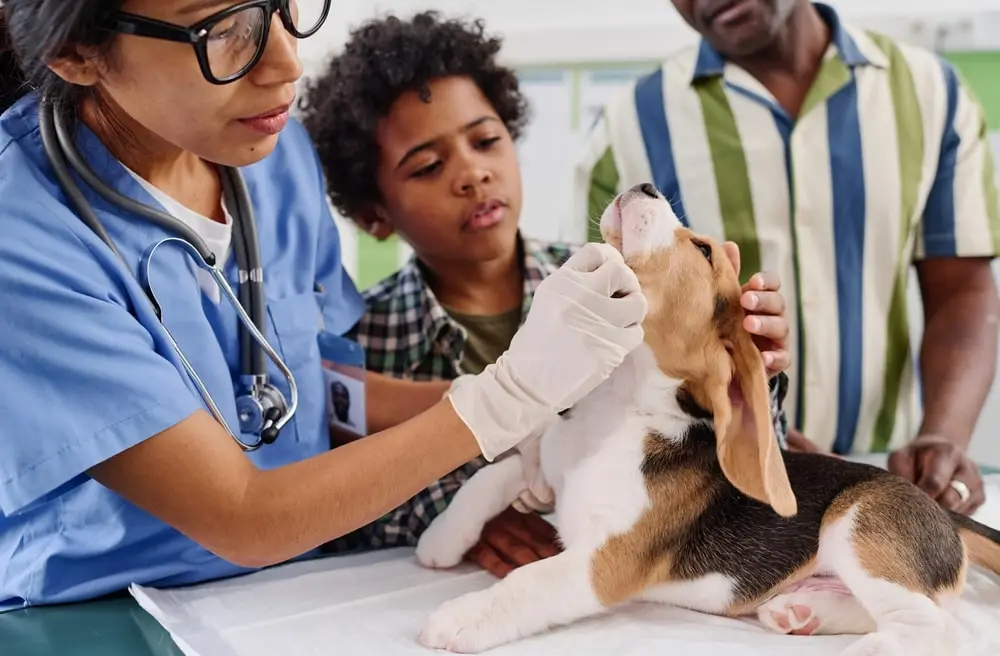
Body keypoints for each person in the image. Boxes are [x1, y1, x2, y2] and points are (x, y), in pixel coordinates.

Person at [0, 0, 652, 611]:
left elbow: (309, 394)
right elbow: (243, 515)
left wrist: (550, 405)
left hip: (298, 591)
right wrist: (505, 397)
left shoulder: (271, 151)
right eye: (224, 29)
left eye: (285, 8)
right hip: (104, 614)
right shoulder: (23, 236)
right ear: (75, 51)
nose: (287, 66)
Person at [298, 11, 794, 578]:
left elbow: (728, 460)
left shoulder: (621, 280)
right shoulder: (368, 339)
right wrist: (462, 509)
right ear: (373, 212)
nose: (472, 174)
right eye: (430, 166)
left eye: (486, 141)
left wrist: (755, 367)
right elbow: (345, 500)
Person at [576, 0, 1000, 515]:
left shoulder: (932, 95)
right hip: (711, 496)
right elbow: (602, 336)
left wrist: (942, 437)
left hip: (884, 474)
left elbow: (961, 288)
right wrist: (751, 435)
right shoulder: (628, 128)